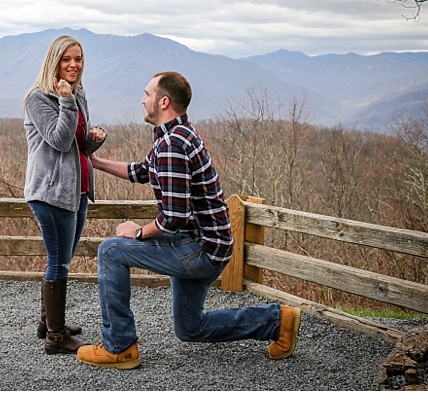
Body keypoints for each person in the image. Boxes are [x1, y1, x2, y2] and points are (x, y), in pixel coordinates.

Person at [77, 71, 301, 370]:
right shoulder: (177, 135)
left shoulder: (173, 144)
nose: (143, 100)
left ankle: (119, 346)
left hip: (200, 249)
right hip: (207, 244)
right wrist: (94, 162)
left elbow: (174, 218)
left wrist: (139, 232)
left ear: (164, 101)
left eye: (147, 94)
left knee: (111, 251)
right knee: (190, 328)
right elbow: (141, 171)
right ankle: (277, 320)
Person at [23, 35, 107, 354]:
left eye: (79, 59)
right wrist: (67, 101)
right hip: (50, 192)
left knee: (62, 260)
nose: (74, 65)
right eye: (67, 59)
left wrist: (94, 140)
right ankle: (56, 337)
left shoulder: (77, 93)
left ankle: (49, 322)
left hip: (77, 190)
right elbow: (58, 140)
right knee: (59, 262)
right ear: (54, 62)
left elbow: (76, 144)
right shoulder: (39, 99)